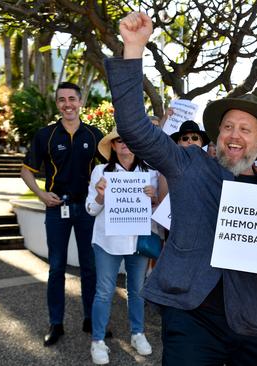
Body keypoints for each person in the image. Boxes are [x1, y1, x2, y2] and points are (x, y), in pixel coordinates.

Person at [105, 12, 257, 365]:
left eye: (245, 129)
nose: (235, 135)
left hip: (249, 323)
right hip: (190, 316)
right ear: (219, 135)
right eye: (228, 127)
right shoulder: (187, 164)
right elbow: (133, 127)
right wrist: (133, 49)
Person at [20, 81, 104, 346]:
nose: (67, 104)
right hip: (57, 208)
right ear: (57, 104)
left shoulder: (94, 135)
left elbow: (112, 168)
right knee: (56, 267)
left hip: (87, 210)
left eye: (72, 99)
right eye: (62, 100)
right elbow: (26, 171)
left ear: (80, 102)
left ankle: (91, 318)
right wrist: (41, 195)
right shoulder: (45, 135)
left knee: (90, 267)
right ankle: (56, 323)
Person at [87, 128, 159, 364]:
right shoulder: (100, 171)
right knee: (104, 291)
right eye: (119, 141)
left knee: (137, 290)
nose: (125, 144)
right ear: (114, 146)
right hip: (107, 241)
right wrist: (100, 196)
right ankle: (98, 340)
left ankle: (137, 333)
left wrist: (154, 198)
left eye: (129, 140)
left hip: (137, 240)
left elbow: (157, 211)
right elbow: (90, 209)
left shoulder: (148, 173)